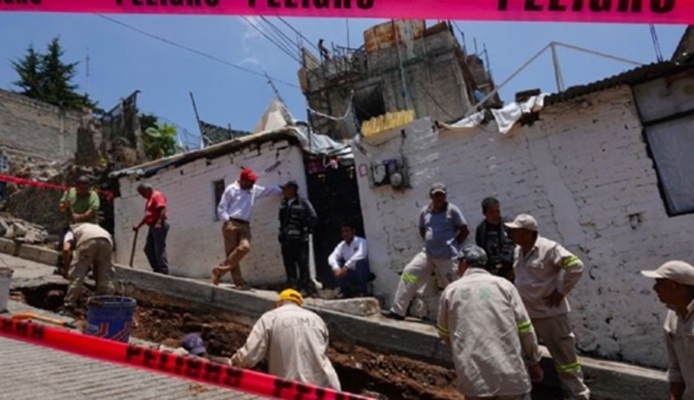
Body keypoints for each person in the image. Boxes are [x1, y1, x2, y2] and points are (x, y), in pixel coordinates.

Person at [437, 244, 544, 400]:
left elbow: (444, 332)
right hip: (512, 377)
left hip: (475, 381)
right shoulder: (504, 286)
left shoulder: (451, 291)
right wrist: (534, 361)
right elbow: (525, 328)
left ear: (464, 263)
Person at [506, 214, 590, 400]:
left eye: (516, 231)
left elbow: (576, 266)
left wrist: (561, 292)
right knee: (526, 356)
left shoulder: (549, 248)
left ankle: (577, 395)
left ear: (528, 233)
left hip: (550, 314)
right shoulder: (518, 250)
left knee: (565, 359)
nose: (511, 234)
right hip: (526, 314)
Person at [382, 182, 469, 320]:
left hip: (446, 257)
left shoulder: (452, 210)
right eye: (436, 195)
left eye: (441, 195)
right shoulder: (425, 211)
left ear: (445, 196)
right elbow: (422, 229)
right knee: (409, 273)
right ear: (431, 196)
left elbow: (464, 230)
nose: (439, 198)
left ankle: (463, 317)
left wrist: (451, 244)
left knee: (453, 286)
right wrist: (431, 243)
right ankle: (398, 311)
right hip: (428, 254)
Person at [230, 289, 341, 390]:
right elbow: (323, 352)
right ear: (299, 304)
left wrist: (233, 362)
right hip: (326, 390)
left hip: (291, 389)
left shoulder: (270, 317)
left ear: (277, 304)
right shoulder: (317, 319)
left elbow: (250, 354)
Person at [212, 168, 282, 289]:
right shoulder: (231, 189)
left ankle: (219, 270)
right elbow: (222, 207)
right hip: (231, 224)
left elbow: (267, 191)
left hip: (245, 225)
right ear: (243, 181)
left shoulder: (254, 189)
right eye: (250, 181)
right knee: (232, 254)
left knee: (245, 247)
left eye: (253, 181)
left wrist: (282, 188)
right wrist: (227, 221)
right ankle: (239, 283)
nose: (252, 183)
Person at [641, 261, 694, 400]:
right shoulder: (672, 317)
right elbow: (676, 369)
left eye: (660, 283)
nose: (655, 288)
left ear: (676, 285)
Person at [60, 223, 115, 315]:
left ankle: (69, 305)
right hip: (106, 241)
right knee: (104, 275)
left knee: (77, 275)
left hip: (87, 241)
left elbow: (66, 249)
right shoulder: (89, 226)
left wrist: (67, 269)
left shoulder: (70, 231)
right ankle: (105, 302)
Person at [278, 180, 318, 296]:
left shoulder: (303, 203)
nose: (283, 192)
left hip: (300, 239)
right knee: (289, 264)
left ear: (292, 189)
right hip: (287, 239)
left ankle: (305, 288)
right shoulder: (284, 204)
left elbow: (313, 217)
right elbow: (282, 222)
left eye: (285, 189)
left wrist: (306, 230)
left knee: (303, 263)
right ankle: (292, 287)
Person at [56, 175, 100, 275]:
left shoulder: (93, 195)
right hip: (71, 225)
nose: (83, 191)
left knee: (90, 246)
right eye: (81, 189)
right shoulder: (70, 193)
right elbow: (61, 208)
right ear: (76, 187)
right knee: (63, 245)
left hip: (88, 226)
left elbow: (92, 211)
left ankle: (90, 268)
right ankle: (63, 266)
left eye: (85, 189)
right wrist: (65, 205)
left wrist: (80, 217)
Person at [475, 197, 515, 281]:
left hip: (511, 270)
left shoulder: (508, 225)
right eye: (492, 212)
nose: (496, 215)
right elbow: (480, 250)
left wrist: (514, 268)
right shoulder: (481, 229)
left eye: (498, 211)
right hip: (493, 272)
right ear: (484, 213)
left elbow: (518, 247)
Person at [132, 184, 169, 275]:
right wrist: (138, 226)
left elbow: (163, 208)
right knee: (148, 249)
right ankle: (156, 270)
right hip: (152, 226)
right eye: (141, 194)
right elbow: (148, 216)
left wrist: (159, 222)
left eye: (143, 193)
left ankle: (163, 272)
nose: (142, 196)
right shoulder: (149, 200)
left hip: (159, 225)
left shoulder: (157, 195)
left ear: (148, 189)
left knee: (159, 249)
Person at [328, 221, 370, 298]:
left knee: (361, 262)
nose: (345, 234)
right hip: (348, 273)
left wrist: (346, 267)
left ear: (353, 231)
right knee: (337, 264)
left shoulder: (361, 242)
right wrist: (336, 268)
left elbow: (361, 254)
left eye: (347, 231)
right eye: (343, 232)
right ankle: (344, 290)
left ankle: (361, 290)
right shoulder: (341, 245)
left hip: (361, 273)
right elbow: (331, 257)